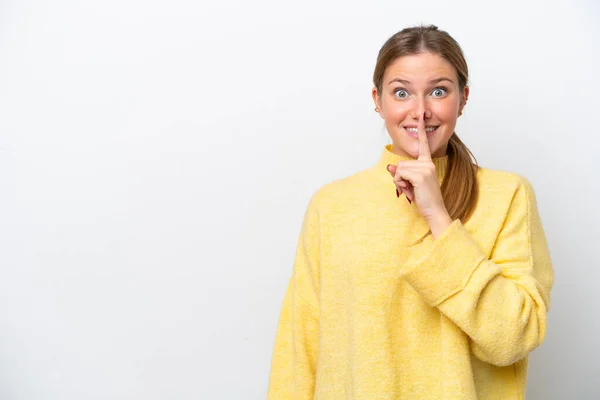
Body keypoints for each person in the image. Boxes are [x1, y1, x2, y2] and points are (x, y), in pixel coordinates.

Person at [267, 24, 554, 400]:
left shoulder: (508, 195)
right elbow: (299, 350)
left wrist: (437, 215)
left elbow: (512, 339)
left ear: (463, 98)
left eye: (439, 91)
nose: (420, 112)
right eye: (401, 92)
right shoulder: (332, 205)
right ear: (378, 100)